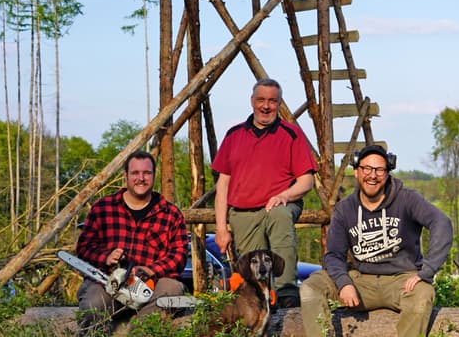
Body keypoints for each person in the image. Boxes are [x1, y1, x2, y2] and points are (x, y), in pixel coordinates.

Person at [300, 144, 453, 337]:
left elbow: (441, 223)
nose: (372, 175)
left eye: (379, 170)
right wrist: (344, 283)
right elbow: (333, 255)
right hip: (361, 280)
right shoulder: (344, 209)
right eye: (367, 169)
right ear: (356, 172)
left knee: (422, 294)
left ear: (387, 173)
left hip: (402, 281)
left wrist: (427, 271)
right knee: (310, 287)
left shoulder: (407, 199)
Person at [212, 78, 318, 308]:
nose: (266, 106)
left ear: (279, 104)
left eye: (272, 101)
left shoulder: (291, 134)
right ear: (252, 101)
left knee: (279, 215)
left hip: (279, 205)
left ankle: (286, 291)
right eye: (261, 100)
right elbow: (223, 186)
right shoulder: (233, 135)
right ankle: (256, 307)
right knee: (251, 273)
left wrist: (285, 196)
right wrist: (221, 228)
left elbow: (307, 180)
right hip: (243, 212)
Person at [74, 150, 188, 336]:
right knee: (94, 303)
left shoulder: (171, 214)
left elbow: (179, 255)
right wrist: (106, 257)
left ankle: (137, 332)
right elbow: (84, 247)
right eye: (135, 173)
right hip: (108, 283)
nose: (141, 178)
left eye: (146, 173)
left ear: (153, 175)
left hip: (150, 287)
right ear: (125, 176)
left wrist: (151, 270)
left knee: (171, 289)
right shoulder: (103, 208)